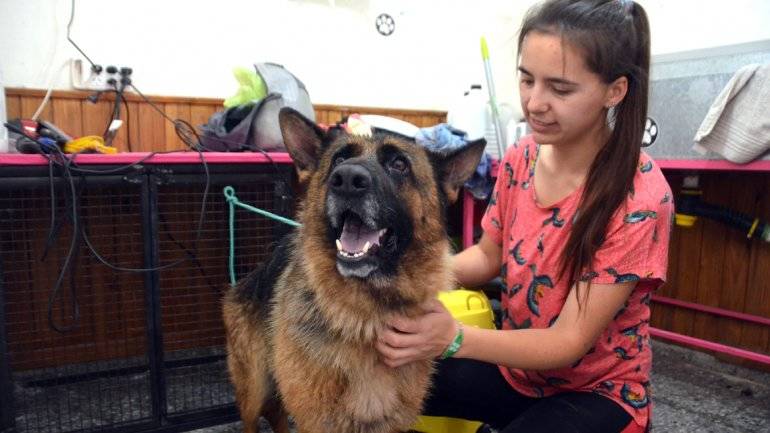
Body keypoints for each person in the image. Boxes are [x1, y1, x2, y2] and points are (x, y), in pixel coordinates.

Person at [375, 1, 673, 432]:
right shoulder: (522, 157)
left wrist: (454, 337)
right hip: (517, 372)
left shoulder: (639, 199)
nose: (534, 102)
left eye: (560, 88)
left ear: (615, 91)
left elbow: (567, 342)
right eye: (526, 79)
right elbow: (487, 257)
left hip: (596, 393)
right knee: (379, 380)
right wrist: (397, 273)